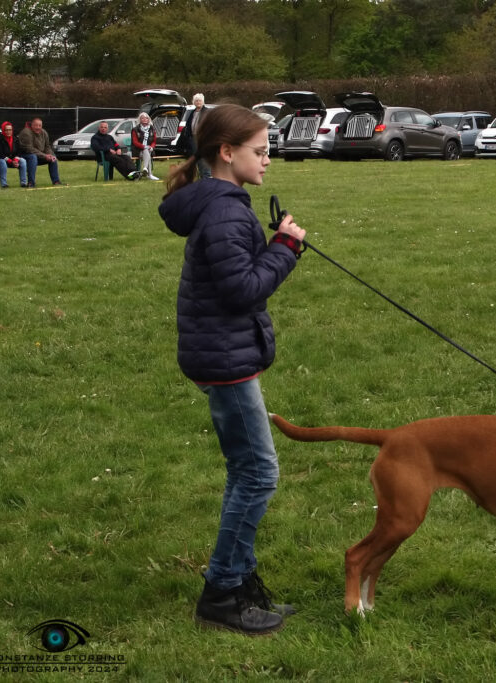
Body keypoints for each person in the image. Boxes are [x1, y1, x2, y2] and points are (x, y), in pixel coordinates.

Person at [158, 104, 306, 636]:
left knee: (247, 471)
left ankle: (240, 584)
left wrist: (276, 245)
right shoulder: (224, 211)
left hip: (224, 353)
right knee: (259, 474)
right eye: (260, 151)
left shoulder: (224, 204)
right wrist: (286, 247)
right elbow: (243, 289)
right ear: (227, 152)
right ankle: (222, 593)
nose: (268, 161)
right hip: (225, 360)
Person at [18, 117, 65, 187]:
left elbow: (47, 146)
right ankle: (31, 183)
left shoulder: (44, 132)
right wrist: (44, 156)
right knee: (33, 157)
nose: (38, 127)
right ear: (32, 125)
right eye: (36, 125)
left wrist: (50, 155)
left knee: (53, 158)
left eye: (40, 125)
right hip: (25, 156)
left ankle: (56, 181)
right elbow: (29, 149)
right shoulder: (26, 133)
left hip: (39, 156)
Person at [0, 121, 29, 188]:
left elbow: (19, 151)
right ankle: (4, 184)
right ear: (3, 130)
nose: (8, 132)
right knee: (2, 161)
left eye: (10, 130)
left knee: (23, 161)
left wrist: (16, 160)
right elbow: (0, 154)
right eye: (6, 130)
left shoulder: (15, 139)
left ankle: (23, 183)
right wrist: (11, 161)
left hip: (10, 159)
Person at [180, 93, 211, 179]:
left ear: (203, 101)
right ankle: (201, 176)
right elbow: (189, 125)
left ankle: (206, 176)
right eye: (196, 100)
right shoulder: (192, 112)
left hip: (203, 138)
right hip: (193, 138)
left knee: (204, 158)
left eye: (200, 100)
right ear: (194, 102)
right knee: (197, 157)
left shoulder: (207, 111)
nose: (198, 102)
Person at [132, 112, 160, 180]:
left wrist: (152, 147)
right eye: (142, 118)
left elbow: (154, 141)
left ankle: (145, 170)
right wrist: (144, 147)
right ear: (140, 120)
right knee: (146, 151)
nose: (145, 119)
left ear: (149, 120)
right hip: (137, 150)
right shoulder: (135, 129)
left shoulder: (152, 129)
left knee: (147, 151)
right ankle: (149, 174)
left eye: (146, 118)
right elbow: (135, 142)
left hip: (149, 150)